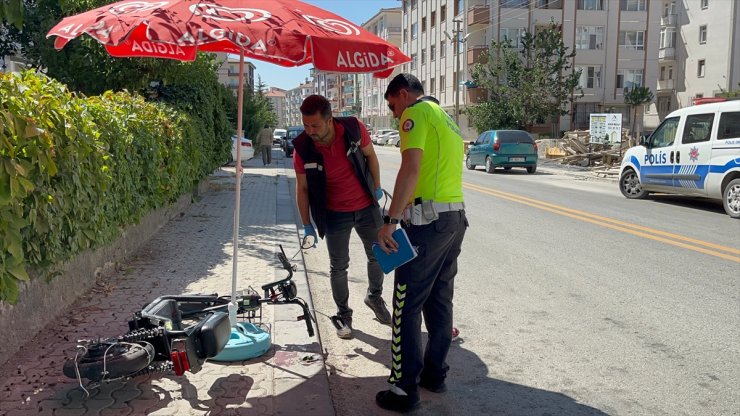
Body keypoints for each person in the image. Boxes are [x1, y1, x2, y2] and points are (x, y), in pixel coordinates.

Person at [375, 74, 468, 412]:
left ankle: (403, 390)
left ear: (403, 95)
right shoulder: (448, 119)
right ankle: (434, 375)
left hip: (427, 224)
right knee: (440, 301)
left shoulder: (416, 114)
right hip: (453, 219)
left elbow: (410, 170)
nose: (396, 115)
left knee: (406, 304)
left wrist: (390, 221)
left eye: (393, 106)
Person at [293, 94, 391, 339]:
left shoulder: (352, 129)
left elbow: (371, 156)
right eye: (306, 125)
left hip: (367, 206)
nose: (310, 131)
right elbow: (302, 188)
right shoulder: (303, 147)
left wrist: (376, 186)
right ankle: (343, 315)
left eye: (314, 125)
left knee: (378, 254)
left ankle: (374, 297)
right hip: (334, 213)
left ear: (329, 120)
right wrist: (306, 224)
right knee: (338, 266)